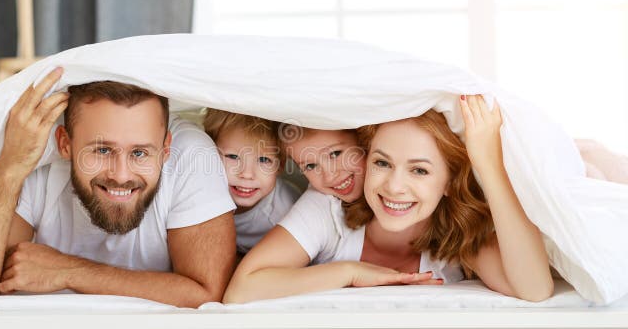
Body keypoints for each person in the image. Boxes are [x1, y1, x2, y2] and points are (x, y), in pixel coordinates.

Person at [0, 68, 237, 308]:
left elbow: (207, 296)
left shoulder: (191, 155)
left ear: (166, 148)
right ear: (65, 144)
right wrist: (10, 165)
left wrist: (70, 270)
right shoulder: (36, 161)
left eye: (140, 153)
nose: (120, 175)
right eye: (102, 151)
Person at [223, 95, 554, 303]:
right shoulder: (326, 206)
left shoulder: (456, 226)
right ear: (368, 156)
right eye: (382, 163)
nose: (395, 187)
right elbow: (242, 289)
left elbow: (535, 289)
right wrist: (349, 272)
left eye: (420, 171)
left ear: (449, 182)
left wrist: (490, 165)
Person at [203, 109, 301, 254]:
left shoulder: (284, 215)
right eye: (232, 156)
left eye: (263, 160)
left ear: (280, 165)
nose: (247, 174)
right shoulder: (200, 191)